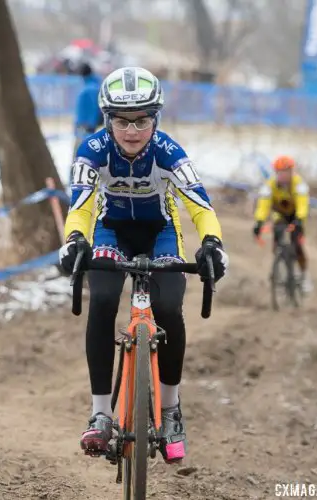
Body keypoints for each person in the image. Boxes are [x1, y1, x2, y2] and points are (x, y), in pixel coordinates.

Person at [58, 66, 229, 463]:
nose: (132, 130)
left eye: (142, 120)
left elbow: (201, 208)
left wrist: (212, 244)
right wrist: (74, 240)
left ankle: (170, 410)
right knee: (101, 299)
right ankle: (101, 414)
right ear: (107, 120)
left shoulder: (170, 153)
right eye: (122, 120)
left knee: (168, 306)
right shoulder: (91, 151)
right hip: (110, 230)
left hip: (160, 233)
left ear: (156, 118)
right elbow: (81, 207)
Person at [252, 155, 312, 292]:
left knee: (297, 246)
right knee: (277, 240)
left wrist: (300, 220)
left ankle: (304, 275)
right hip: (280, 215)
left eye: (286, 172)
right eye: (280, 173)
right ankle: (279, 263)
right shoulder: (270, 185)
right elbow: (263, 205)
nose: (283, 176)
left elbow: (303, 204)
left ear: (292, 172)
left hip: (296, 214)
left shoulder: (299, 184)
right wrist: (259, 222)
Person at [72, 62, 103, 157]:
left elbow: (92, 109)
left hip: (85, 128)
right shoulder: (95, 85)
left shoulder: (88, 89)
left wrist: (89, 125)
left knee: (79, 155)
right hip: (89, 127)